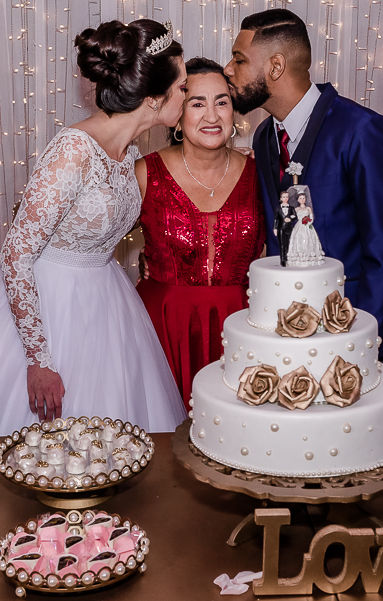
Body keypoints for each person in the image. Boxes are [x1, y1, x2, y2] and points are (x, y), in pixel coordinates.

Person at [0, 19, 188, 437]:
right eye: (183, 87)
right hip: (50, 306)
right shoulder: (73, 150)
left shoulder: (127, 154)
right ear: (153, 97)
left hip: (107, 305)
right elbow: (16, 253)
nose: (187, 95)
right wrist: (38, 359)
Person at [223, 9, 383, 370]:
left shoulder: (361, 131)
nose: (228, 69)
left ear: (276, 66)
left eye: (239, 59)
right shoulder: (264, 137)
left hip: (354, 337)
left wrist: (356, 343)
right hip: (286, 340)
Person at [135, 57, 265, 410]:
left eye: (222, 102)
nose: (212, 116)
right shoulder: (145, 173)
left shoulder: (262, 174)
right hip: (163, 329)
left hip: (242, 330)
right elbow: (93, 240)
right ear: (177, 114)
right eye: (197, 103)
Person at [287, 190, 323, 266]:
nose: (302, 200)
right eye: (300, 198)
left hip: (307, 225)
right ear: (298, 200)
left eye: (303, 198)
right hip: (299, 225)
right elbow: (293, 216)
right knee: (299, 238)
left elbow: (311, 217)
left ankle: (310, 257)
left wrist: (309, 222)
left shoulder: (308, 208)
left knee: (309, 238)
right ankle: (299, 257)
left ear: (305, 199)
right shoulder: (296, 209)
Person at [272, 190, 296, 266]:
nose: (285, 198)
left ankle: (289, 258)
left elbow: (295, 216)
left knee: (289, 243)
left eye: (287, 197)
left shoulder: (291, 208)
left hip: (289, 228)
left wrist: (290, 219)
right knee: (282, 244)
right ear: (281, 198)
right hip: (281, 228)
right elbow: (276, 219)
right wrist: (275, 228)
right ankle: (283, 259)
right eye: (284, 197)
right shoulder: (278, 208)